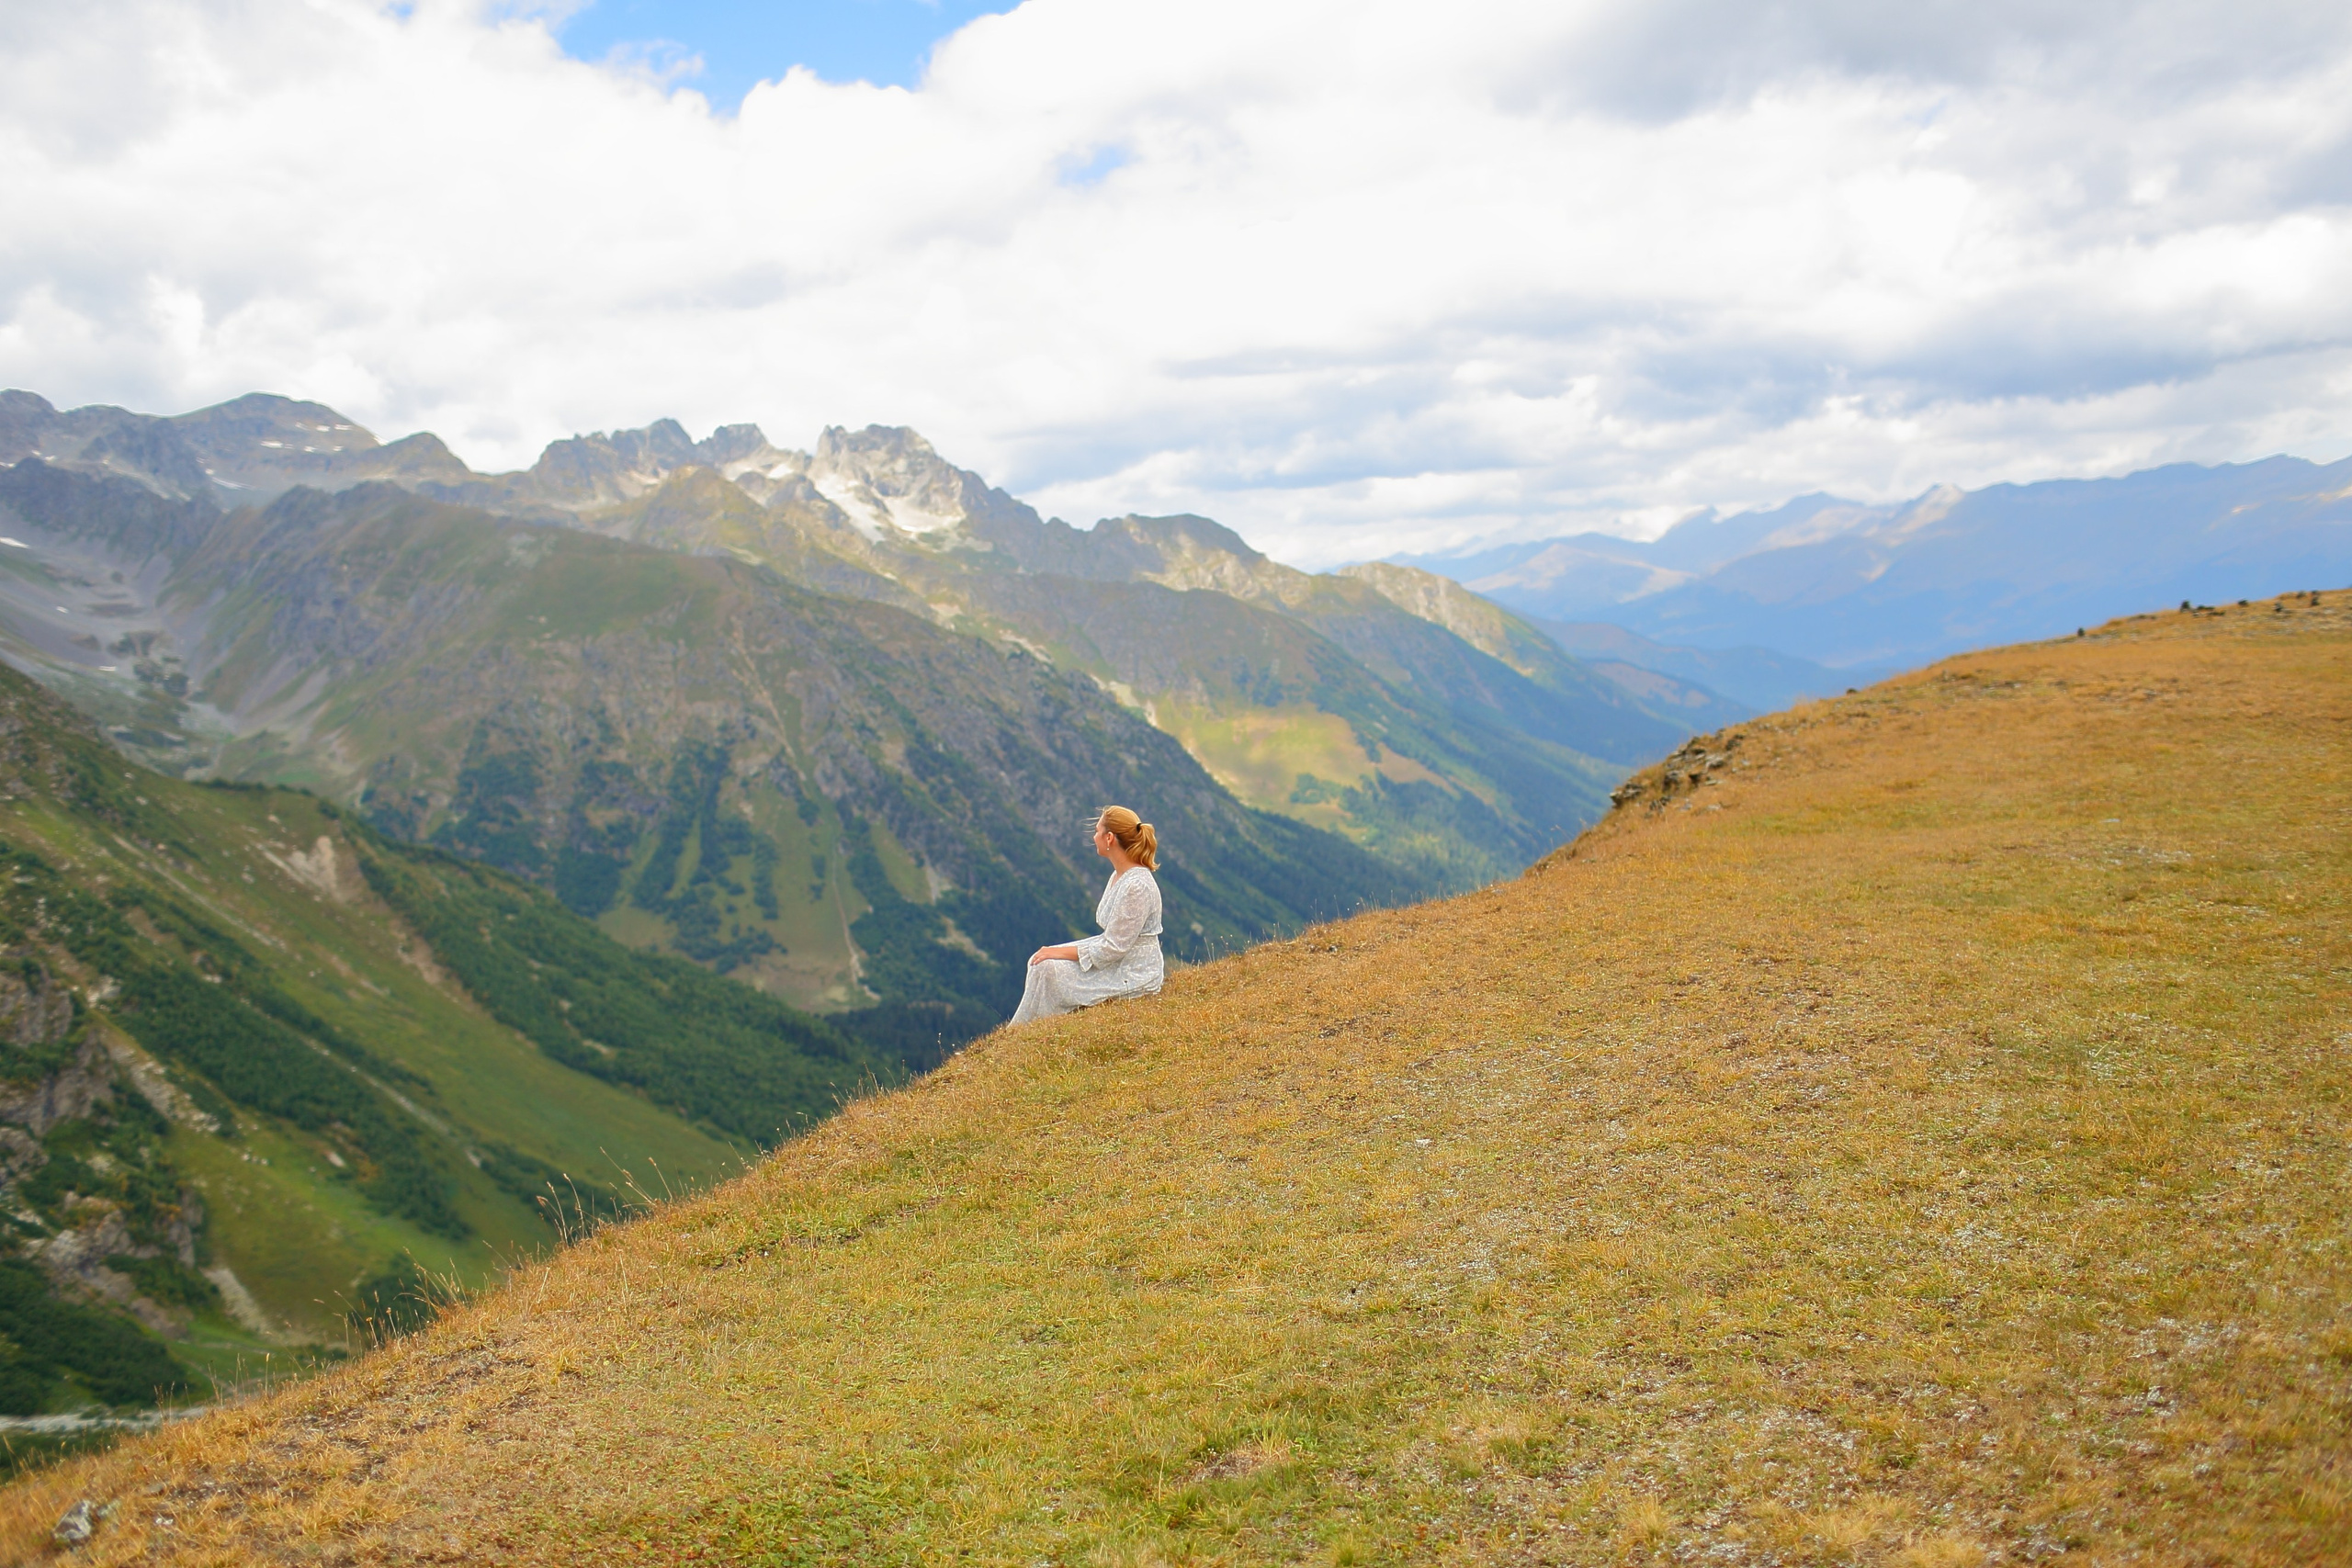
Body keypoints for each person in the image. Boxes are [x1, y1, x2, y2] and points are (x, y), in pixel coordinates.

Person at [1011, 806, 1164, 1024]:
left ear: (1109, 838)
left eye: (1097, 830)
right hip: (1121, 959)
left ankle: (1026, 1030)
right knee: (1040, 961)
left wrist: (1059, 952)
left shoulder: (1136, 886)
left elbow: (1114, 948)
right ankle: (1026, 1027)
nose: (1094, 837)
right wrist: (1054, 952)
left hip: (1135, 971)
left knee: (1047, 968)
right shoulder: (1120, 875)